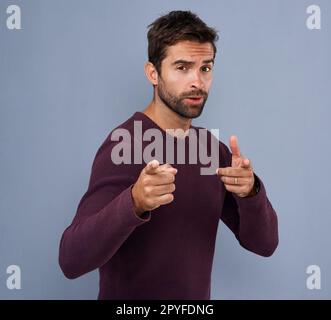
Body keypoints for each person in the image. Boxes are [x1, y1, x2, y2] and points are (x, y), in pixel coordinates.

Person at [59, 10, 278, 300]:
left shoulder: (211, 150)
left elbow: (264, 245)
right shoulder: (124, 145)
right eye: (182, 67)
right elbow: (71, 260)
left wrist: (252, 193)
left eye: (206, 68)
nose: (197, 82)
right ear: (153, 73)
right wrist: (134, 201)